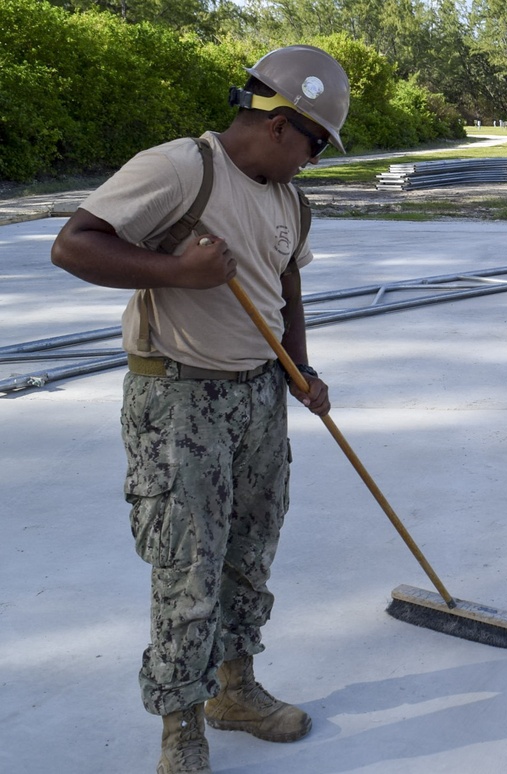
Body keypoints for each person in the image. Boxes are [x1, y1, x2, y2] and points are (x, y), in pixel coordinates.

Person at [50, 44, 349, 774]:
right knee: (190, 564)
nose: (315, 159)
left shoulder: (288, 199)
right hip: (179, 398)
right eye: (314, 142)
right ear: (280, 121)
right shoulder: (183, 168)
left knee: (251, 551)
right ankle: (180, 726)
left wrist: (300, 369)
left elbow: (286, 288)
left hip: (258, 395)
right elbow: (72, 245)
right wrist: (176, 272)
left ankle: (234, 689)